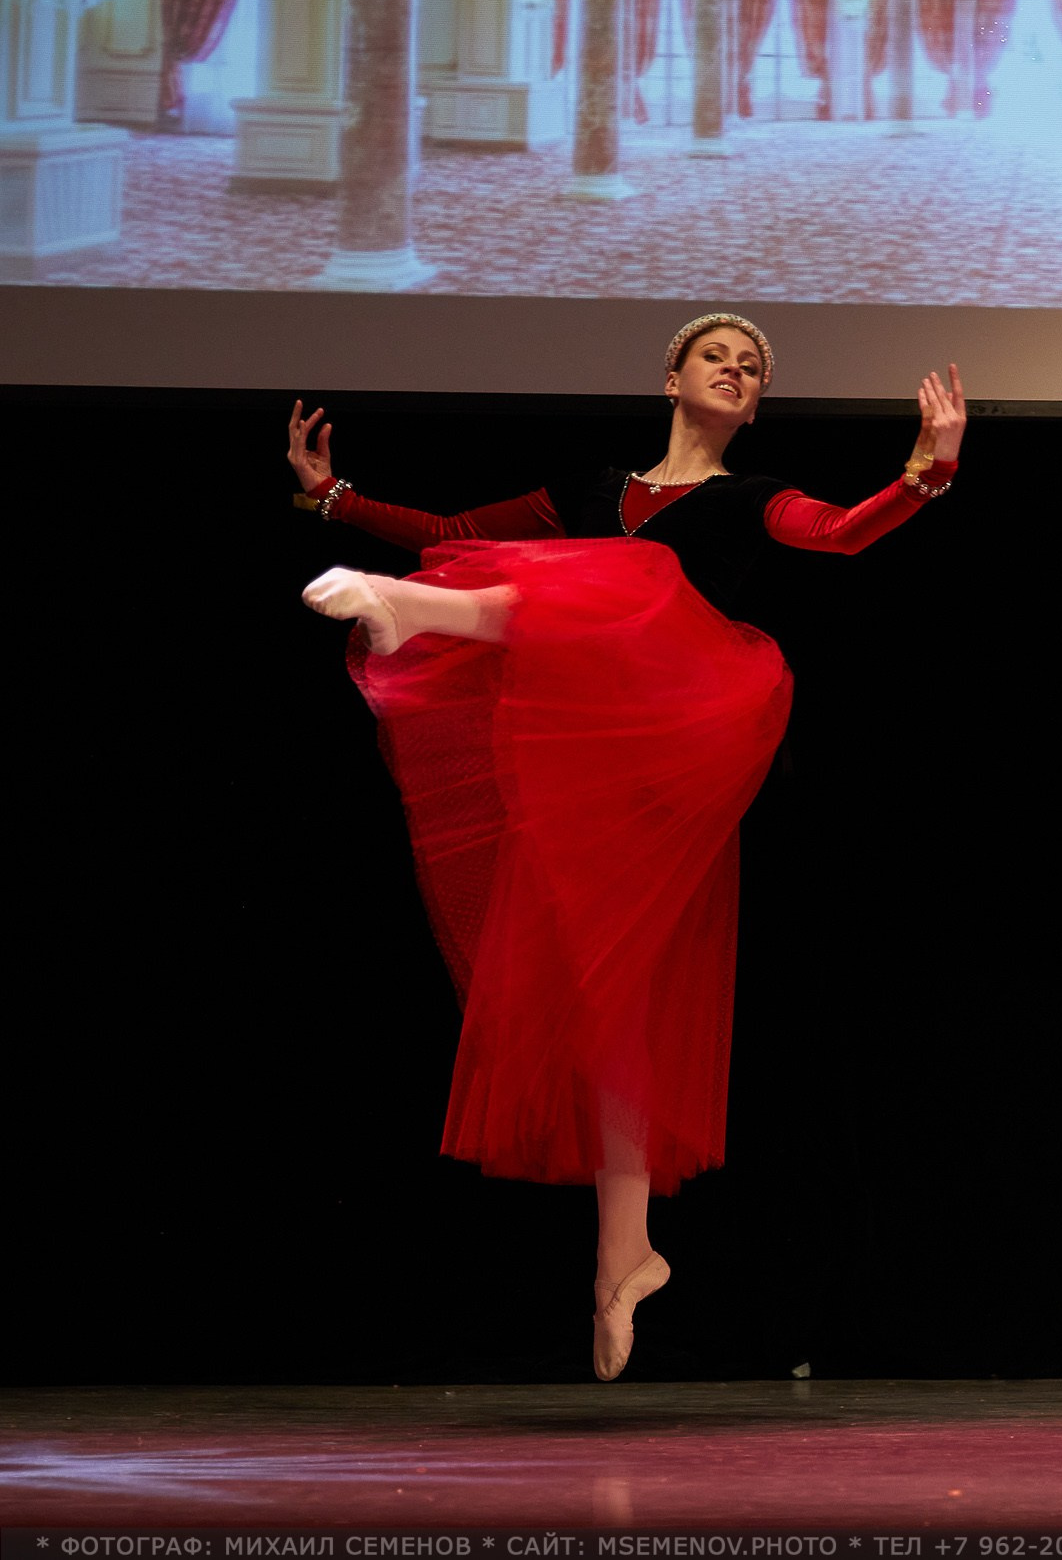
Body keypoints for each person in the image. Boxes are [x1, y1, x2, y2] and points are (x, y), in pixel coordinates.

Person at [290, 313, 968, 1380]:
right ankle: (626, 1252)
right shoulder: (595, 488)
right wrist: (335, 497)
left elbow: (841, 533)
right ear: (671, 376)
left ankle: (403, 612)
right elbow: (455, 522)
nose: (737, 374)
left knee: (634, 578)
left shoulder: (752, 500)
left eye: (752, 368)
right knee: (614, 999)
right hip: (595, 767)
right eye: (718, 358)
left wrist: (926, 472)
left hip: (690, 732)